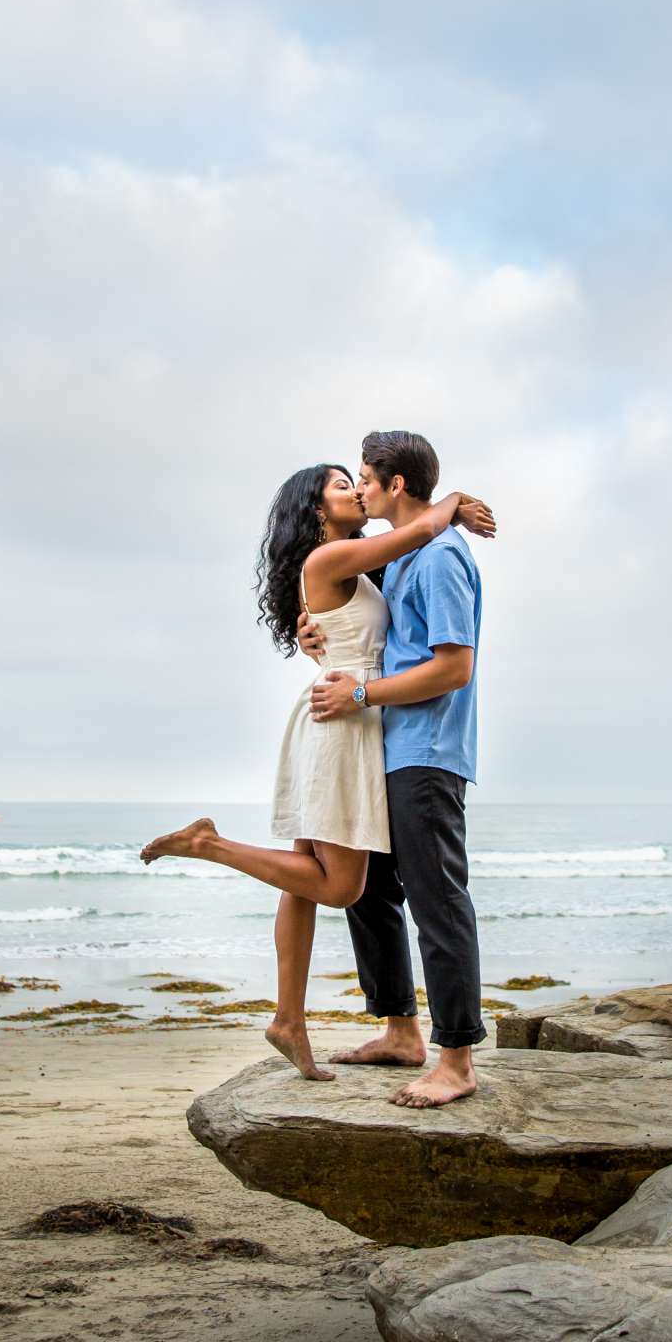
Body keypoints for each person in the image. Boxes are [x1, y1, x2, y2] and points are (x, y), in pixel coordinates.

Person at [140, 463, 493, 1082]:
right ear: (316, 511)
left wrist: (319, 631)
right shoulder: (333, 561)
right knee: (341, 887)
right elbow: (416, 532)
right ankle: (210, 844)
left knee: (308, 874)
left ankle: (289, 1019)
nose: (356, 490)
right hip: (342, 725)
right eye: (341, 484)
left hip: (353, 722)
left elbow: (382, 599)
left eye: (359, 480)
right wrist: (455, 499)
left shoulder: (356, 567)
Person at [302, 430, 488, 1108]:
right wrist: (312, 635)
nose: (359, 490)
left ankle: (457, 1059)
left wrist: (359, 694)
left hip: (427, 753)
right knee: (371, 892)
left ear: (396, 485)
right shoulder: (403, 560)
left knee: (438, 901)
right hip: (386, 748)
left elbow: (452, 667)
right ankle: (400, 1029)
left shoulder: (438, 558)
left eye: (366, 479)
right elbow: (361, 627)